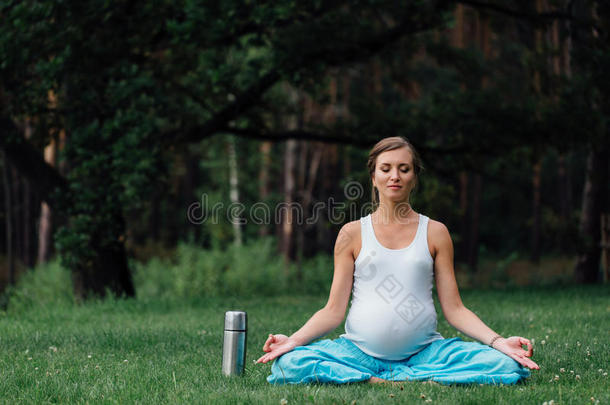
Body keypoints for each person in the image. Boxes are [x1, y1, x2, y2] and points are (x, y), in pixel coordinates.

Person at [257, 136, 540, 385]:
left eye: (404, 169)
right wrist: (292, 341)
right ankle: (379, 379)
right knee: (288, 364)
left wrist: (499, 342)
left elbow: (455, 309)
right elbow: (333, 310)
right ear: (373, 177)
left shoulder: (436, 232)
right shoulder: (352, 233)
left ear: (414, 177)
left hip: (426, 353)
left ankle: (397, 376)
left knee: (506, 364)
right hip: (357, 354)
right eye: (386, 168)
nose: (395, 176)